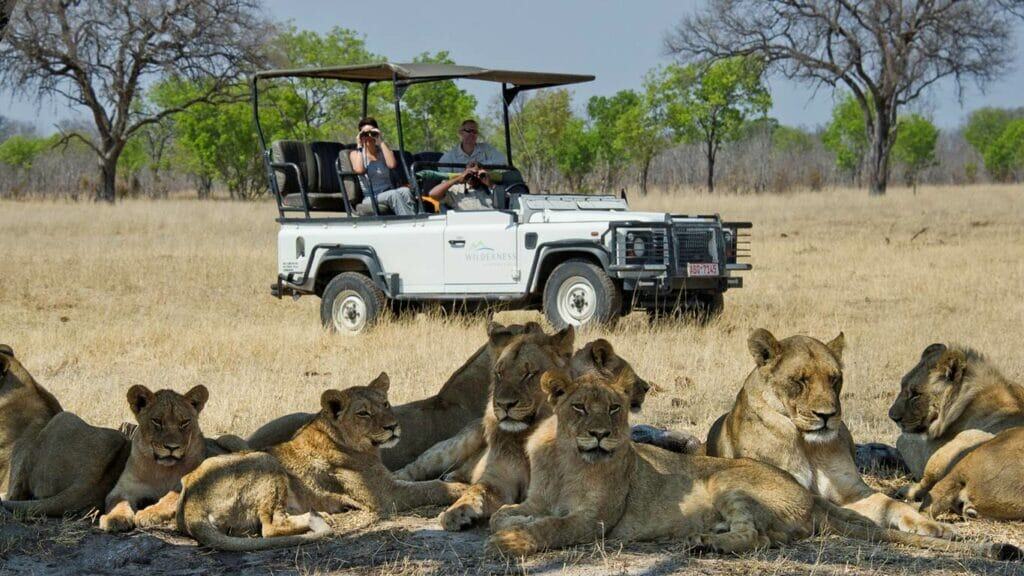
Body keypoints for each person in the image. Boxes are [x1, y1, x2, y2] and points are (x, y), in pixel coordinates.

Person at [349, 117, 416, 216]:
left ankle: (416, 218)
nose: (368, 136)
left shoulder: (383, 151)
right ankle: (410, 222)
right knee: (394, 195)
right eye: (364, 133)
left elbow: (392, 164)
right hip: (371, 197)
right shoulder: (355, 154)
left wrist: (380, 141)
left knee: (405, 191)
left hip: (388, 191)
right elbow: (359, 170)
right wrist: (359, 145)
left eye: (372, 133)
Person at [438, 119, 507, 168]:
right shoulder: (449, 156)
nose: (472, 134)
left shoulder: (486, 148)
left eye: (475, 132)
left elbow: (502, 160)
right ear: (461, 133)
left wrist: (481, 166)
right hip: (460, 187)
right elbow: (444, 177)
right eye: (468, 131)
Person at [428, 161, 494, 211]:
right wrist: (457, 179)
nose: (474, 177)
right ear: (464, 172)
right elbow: (433, 194)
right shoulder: (456, 189)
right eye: (470, 174)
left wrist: (490, 184)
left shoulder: (490, 187)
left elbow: (501, 203)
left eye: (477, 174)